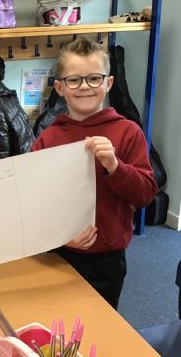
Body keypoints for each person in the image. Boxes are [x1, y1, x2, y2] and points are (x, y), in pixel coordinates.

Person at [32, 37, 157, 309]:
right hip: (59, 254)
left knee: (101, 325)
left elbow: (145, 194)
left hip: (107, 259)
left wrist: (115, 166)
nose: (84, 87)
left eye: (94, 78)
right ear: (59, 87)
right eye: (74, 80)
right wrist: (61, 236)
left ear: (108, 83)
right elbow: (36, 204)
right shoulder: (47, 139)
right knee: (58, 322)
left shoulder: (128, 132)